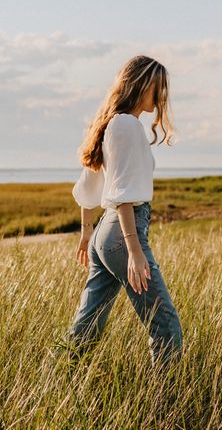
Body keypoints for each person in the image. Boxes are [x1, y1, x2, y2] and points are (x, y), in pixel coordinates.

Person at [58, 55, 183, 370]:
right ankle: (162, 411)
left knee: (86, 328)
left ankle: (59, 381)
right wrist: (134, 249)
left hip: (105, 234)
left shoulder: (111, 123)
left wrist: (89, 235)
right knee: (166, 328)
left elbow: (90, 186)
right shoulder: (126, 124)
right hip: (122, 235)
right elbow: (124, 195)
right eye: (159, 87)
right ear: (141, 85)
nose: (163, 95)